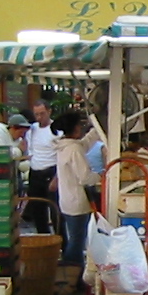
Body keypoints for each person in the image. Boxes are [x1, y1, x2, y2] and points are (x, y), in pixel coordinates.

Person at [50, 112, 94, 276]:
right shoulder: (74, 149)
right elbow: (85, 177)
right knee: (77, 242)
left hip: (67, 200)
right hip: (77, 202)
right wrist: (104, 175)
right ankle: (68, 277)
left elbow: (86, 143)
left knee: (75, 238)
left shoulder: (65, 146)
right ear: (76, 128)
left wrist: (98, 129)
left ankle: (71, 275)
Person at [25, 101, 62, 232]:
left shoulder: (57, 131)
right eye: (36, 114)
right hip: (35, 172)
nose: (39, 117)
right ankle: (43, 238)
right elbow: (30, 149)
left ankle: (61, 242)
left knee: (55, 211)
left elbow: (61, 156)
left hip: (51, 171)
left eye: (42, 114)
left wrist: (57, 177)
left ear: (49, 112)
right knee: (37, 210)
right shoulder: (32, 130)